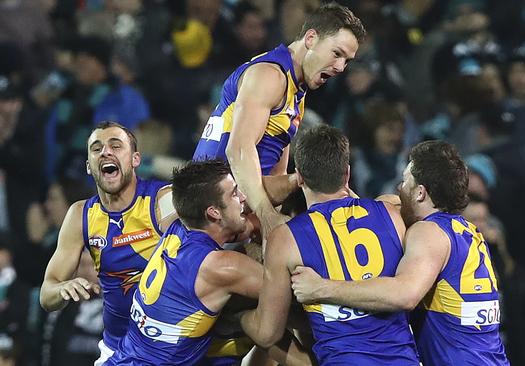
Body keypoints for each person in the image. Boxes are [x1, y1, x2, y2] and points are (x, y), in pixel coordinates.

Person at [290, 140, 510, 365]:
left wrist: (320, 288)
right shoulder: (464, 230)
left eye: (405, 181)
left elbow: (405, 294)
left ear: (421, 193)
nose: (399, 188)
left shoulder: (429, 233)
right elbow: (393, 206)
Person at [239, 125, 420, 365]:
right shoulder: (392, 213)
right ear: (347, 174)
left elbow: (267, 332)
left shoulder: (285, 239)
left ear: (299, 177)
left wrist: (238, 317)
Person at [105, 159, 311, 366]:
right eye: (234, 193)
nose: (243, 198)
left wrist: (296, 181)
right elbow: (299, 294)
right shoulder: (222, 267)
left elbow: (251, 219)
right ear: (213, 212)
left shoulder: (178, 227)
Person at [193, 2, 366, 236]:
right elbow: (239, 150)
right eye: (337, 54)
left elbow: (275, 174)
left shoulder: (296, 89)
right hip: (212, 211)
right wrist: (267, 217)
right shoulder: (270, 75)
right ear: (311, 38)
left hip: (241, 206)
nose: (340, 67)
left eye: (347, 61)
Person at [40, 121, 174, 365]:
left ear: (135, 159)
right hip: (117, 348)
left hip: (169, 347)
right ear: (89, 167)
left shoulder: (162, 200)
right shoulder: (80, 215)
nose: (105, 152)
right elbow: (46, 295)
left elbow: (210, 196)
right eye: (96, 148)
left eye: (116, 145)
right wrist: (63, 288)